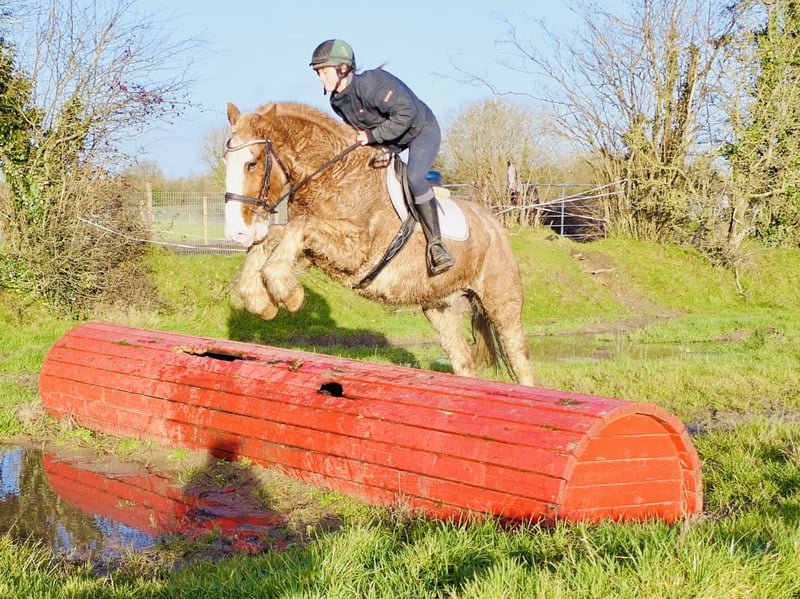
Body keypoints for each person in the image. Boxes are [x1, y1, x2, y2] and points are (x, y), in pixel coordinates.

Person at [309, 39, 454, 275]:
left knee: (415, 177)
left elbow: (406, 114)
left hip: (420, 131)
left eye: (324, 72)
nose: (320, 78)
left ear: (342, 68)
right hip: (389, 140)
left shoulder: (372, 83)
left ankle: (437, 245)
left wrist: (372, 137)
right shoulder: (337, 102)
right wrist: (379, 148)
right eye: (318, 73)